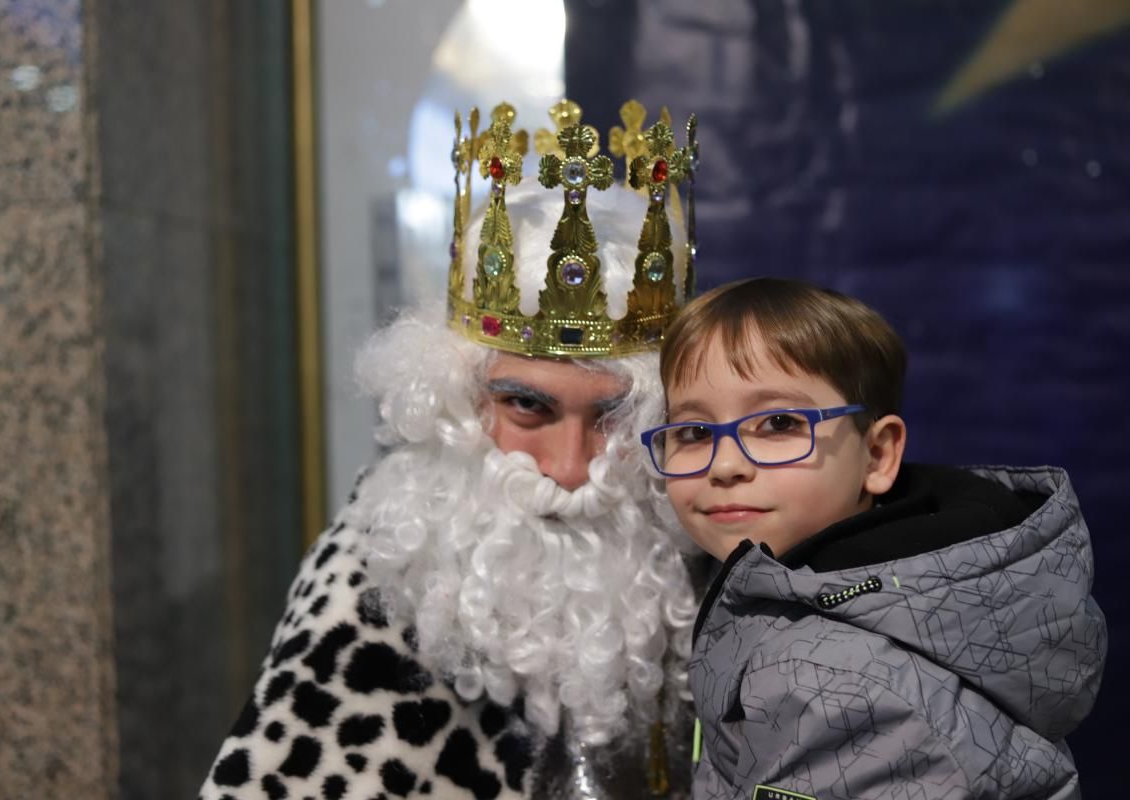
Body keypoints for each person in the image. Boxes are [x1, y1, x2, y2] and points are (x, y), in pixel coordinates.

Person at [198, 101, 706, 799]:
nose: (568, 468)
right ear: (456, 399)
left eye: (614, 415)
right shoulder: (375, 579)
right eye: (527, 405)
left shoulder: (708, 552)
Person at [640, 277, 1107, 800]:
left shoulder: (826, 683)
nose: (724, 465)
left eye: (777, 423)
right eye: (694, 432)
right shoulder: (780, 588)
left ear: (879, 455)